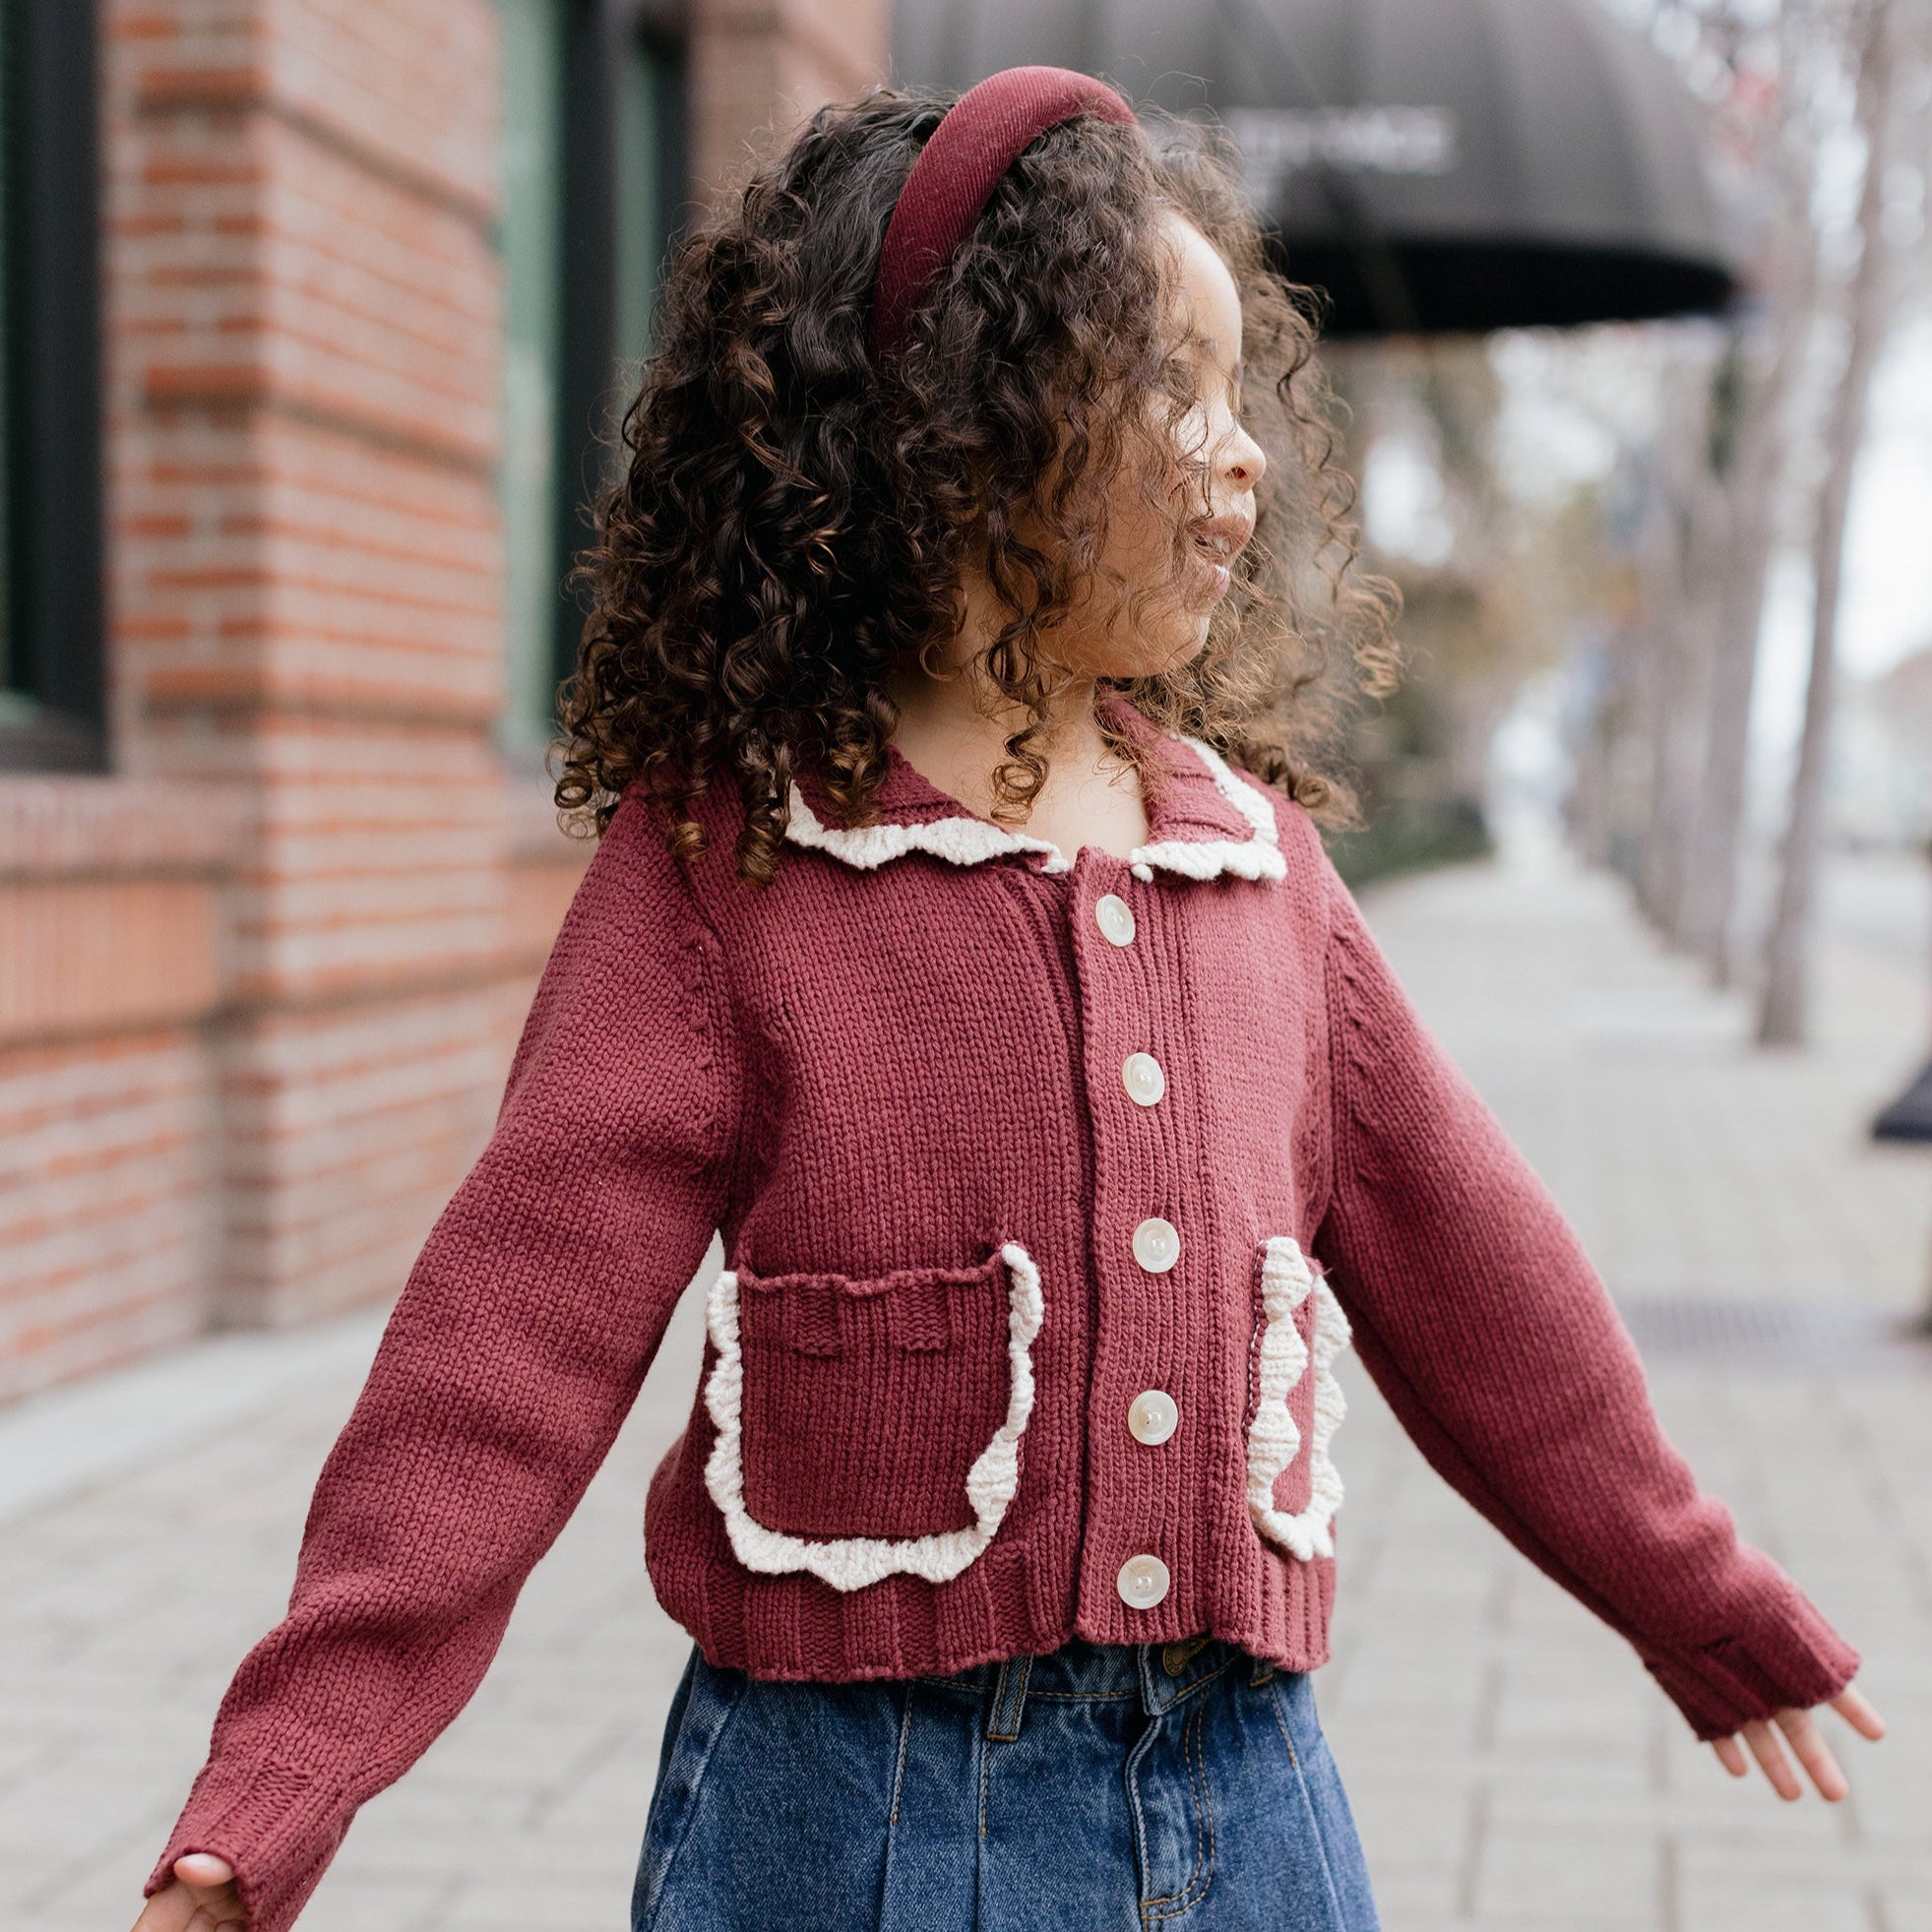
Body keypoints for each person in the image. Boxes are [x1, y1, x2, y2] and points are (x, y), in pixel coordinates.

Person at [132, 66, 1884, 1932]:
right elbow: (508, 1348)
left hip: (1247, 1805)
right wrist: (283, 1782)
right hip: (849, 1815)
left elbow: (1482, 1274)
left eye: (1244, 396)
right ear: (978, 424)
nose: (1247, 459)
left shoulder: (1258, 873)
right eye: (1176, 390)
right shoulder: (738, 867)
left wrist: (1692, 1592)